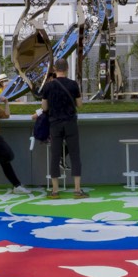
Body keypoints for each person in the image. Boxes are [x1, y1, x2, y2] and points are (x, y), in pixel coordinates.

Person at [38, 59, 84, 197]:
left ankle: (55, 190)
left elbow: (44, 107)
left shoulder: (48, 86)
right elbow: (80, 104)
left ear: (54, 68)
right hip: (70, 122)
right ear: (67, 68)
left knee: (55, 156)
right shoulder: (73, 84)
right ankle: (77, 189)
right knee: (75, 155)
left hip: (55, 123)